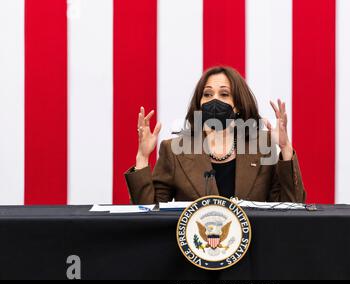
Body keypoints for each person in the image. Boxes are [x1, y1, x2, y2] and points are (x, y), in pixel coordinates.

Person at [124, 66, 306, 204]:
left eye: (224, 94)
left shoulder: (263, 146)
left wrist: (285, 149)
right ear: (199, 103)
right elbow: (148, 214)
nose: (215, 100)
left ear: (239, 106)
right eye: (208, 94)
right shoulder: (173, 150)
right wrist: (142, 157)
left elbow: (291, 207)